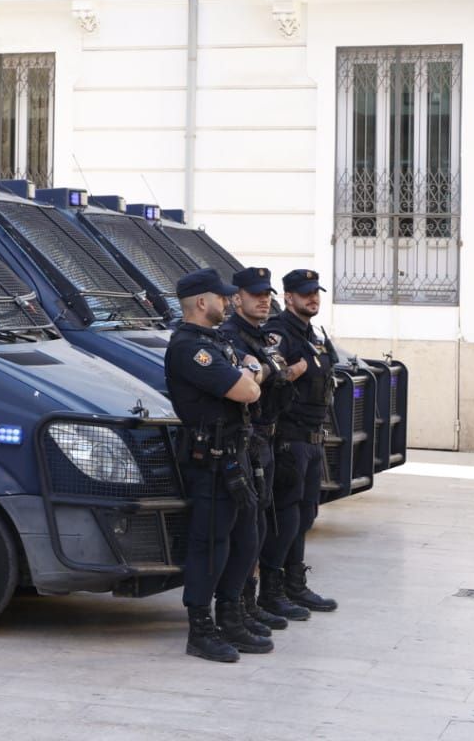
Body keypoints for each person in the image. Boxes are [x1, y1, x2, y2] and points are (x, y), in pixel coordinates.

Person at [165, 268, 269, 662]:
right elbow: (247, 388)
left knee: (246, 539)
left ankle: (231, 616)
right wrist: (250, 375)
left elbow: (252, 374)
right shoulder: (190, 348)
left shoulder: (213, 342)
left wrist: (250, 373)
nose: (228, 302)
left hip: (235, 456)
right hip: (210, 460)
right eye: (222, 297)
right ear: (202, 302)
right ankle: (200, 629)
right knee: (210, 544)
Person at [217, 267, 308, 632]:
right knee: (246, 530)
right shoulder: (231, 336)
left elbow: (276, 373)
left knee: (260, 525)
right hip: (247, 438)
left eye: (266, 294)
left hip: (267, 437)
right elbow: (255, 377)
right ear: (236, 298)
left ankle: (249, 603)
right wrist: (272, 370)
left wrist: (272, 369)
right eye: (255, 294)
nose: (263, 300)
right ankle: (236, 607)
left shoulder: (260, 336)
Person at [259, 269, 340, 615]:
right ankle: (271, 590)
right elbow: (270, 379)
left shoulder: (314, 334)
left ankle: (295, 583)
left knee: (305, 515)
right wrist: (294, 371)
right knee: (286, 517)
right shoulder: (279, 333)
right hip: (289, 439)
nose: (313, 298)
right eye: (305, 293)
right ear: (288, 297)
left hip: (312, 438)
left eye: (316, 292)